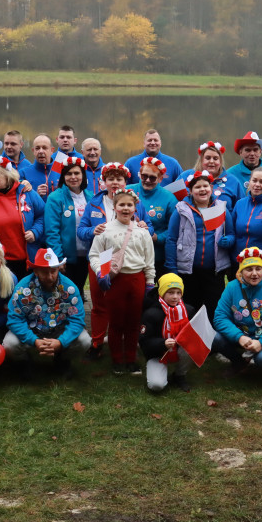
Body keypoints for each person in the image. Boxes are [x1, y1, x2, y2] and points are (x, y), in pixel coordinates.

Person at [88, 189, 156, 374]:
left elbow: (149, 258)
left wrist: (150, 280)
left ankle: (132, 359)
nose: (126, 209)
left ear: (135, 208)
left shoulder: (142, 232)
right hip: (116, 280)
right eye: (122, 205)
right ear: (115, 207)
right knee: (116, 321)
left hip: (137, 279)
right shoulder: (106, 230)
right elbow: (96, 255)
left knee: (134, 322)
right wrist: (101, 273)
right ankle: (117, 360)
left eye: (129, 205)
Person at [4, 248, 92, 378]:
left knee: (85, 341)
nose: (50, 276)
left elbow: (77, 320)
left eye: (53, 271)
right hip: (32, 329)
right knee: (9, 344)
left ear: (59, 269)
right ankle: (25, 362)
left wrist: (61, 342)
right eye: (45, 272)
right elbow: (14, 319)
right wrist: (34, 341)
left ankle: (62, 360)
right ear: (35, 271)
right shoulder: (23, 289)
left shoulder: (70, 288)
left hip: (59, 329)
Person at [164, 170, 235, 324]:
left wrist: (227, 241)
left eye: (206, 186)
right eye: (197, 187)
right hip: (188, 271)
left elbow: (231, 234)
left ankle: (213, 344)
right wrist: (172, 268)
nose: (202, 190)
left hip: (214, 271)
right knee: (190, 308)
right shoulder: (181, 210)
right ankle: (189, 344)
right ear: (191, 191)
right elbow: (171, 240)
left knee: (214, 309)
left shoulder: (221, 208)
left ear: (211, 188)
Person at [212, 248, 262, 381]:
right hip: (243, 334)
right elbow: (220, 318)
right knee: (216, 338)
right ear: (241, 271)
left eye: (258, 269)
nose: (254, 274)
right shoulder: (232, 288)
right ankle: (239, 363)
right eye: (249, 269)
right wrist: (239, 337)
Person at [0, 156, 46, 281]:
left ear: (7, 175)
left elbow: (43, 215)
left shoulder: (27, 193)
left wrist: (35, 231)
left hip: (28, 259)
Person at [44, 156, 94, 294]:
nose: (73, 177)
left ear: (83, 175)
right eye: (69, 173)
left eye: (77, 173)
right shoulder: (55, 198)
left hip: (87, 256)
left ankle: (78, 313)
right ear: (63, 177)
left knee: (79, 290)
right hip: (66, 258)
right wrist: (59, 258)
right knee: (67, 293)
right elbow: (51, 231)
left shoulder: (91, 197)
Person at [140, 274, 194, 392]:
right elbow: (144, 343)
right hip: (158, 353)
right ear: (162, 293)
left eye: (178, 293)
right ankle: (159, 371)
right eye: (170, 293)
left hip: (179, 348)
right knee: (156, 385)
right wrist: (162, 343)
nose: (175, 297)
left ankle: (179, 375)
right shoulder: (151, 313)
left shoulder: (188, 310)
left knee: (192, 345)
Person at [128, 156, 177, 278]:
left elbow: (175, 230)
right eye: (144, 176)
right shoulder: (128, 191)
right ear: (139, 175)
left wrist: (157, 237)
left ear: (160, 178)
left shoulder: (169, 198)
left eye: (153, 177)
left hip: (157, 256)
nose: (148, 180)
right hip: (131, 255)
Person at [178, 141, 244, 207]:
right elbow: (172, 200)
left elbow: (242, 208)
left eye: (215, 158)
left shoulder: (233, 181)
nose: (211, 161)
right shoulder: (185, 176)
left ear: (220, 161)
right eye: (208, 158)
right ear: (201, 160)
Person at [20, 134, 58, 199]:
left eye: (44, 148)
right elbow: (19, 201)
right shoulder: (23, 173)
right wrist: (36, 194)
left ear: (52, 150)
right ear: (33, 151)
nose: (40, 151)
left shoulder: (61, 169)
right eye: (37, 148)